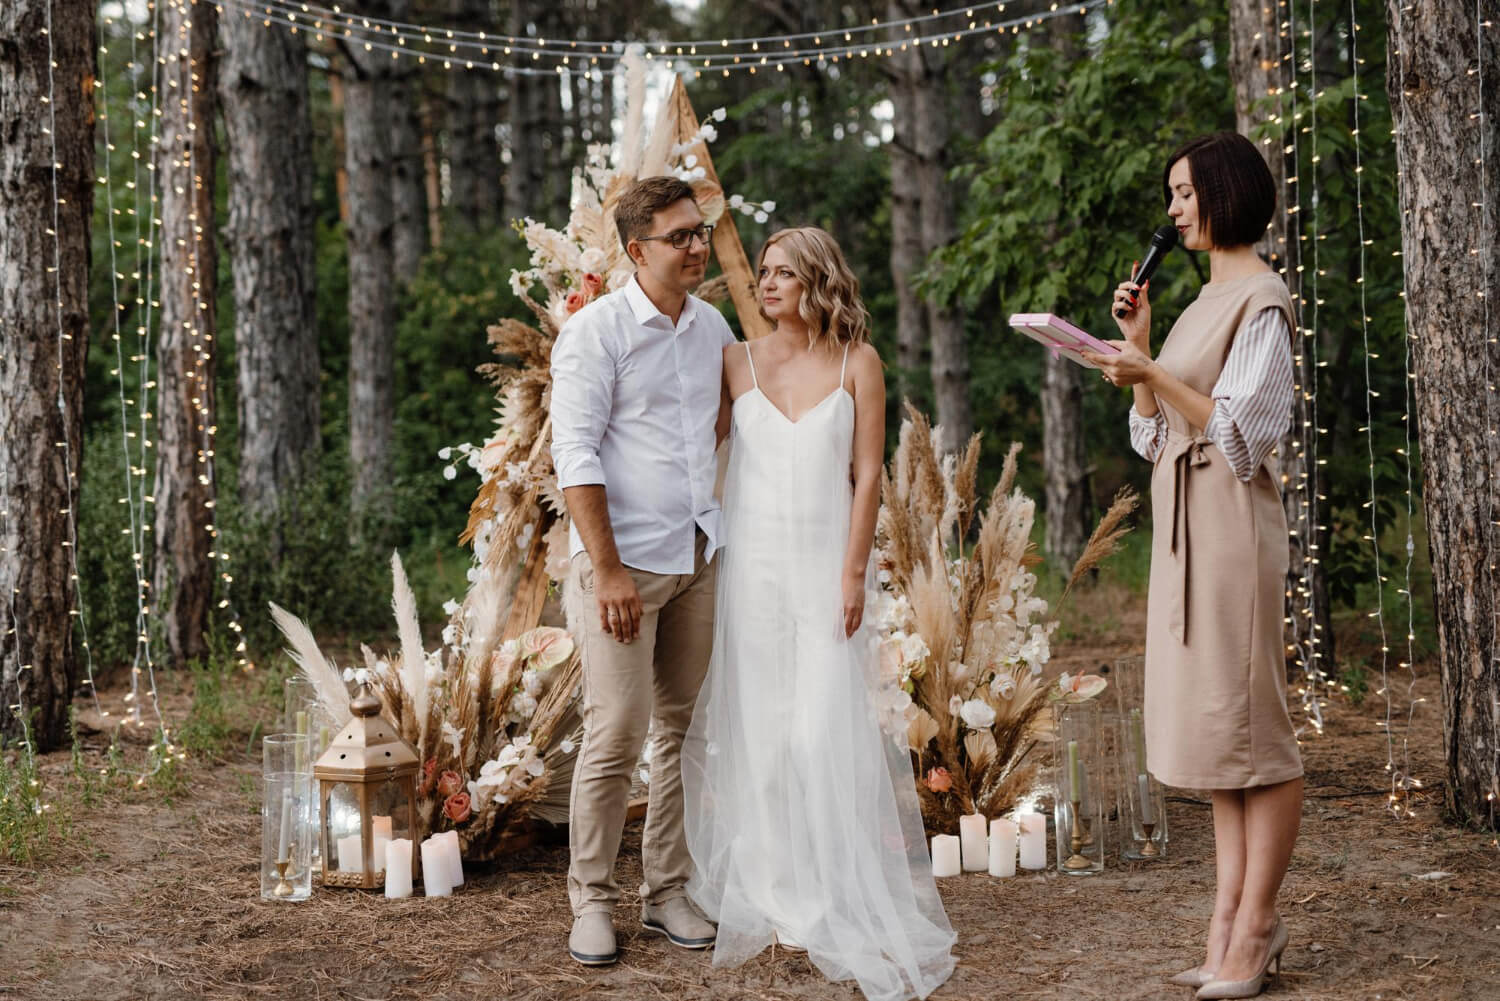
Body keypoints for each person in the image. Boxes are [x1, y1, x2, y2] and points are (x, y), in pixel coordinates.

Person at [681, 227, 956, 1001]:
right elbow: (696, 452)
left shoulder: (857, 363)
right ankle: (772, 893)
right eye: (763, 272)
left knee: (816, 732)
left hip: (826, 570)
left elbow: (868, 477)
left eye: (785, 274)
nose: (768, 285)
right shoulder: (735, 360)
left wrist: (854, 572)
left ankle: (829, 887)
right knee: (763, 737)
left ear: (819, 281)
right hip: (753, 571)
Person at [1083, 132, 1304, 1000]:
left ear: (1226, 191)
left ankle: (1256, 924)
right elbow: (1155, 435)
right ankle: (1224, 917)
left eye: (1185, 191)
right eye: (1170, 192)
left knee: (1257, 728)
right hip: (1182, 520)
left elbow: (1245, 430)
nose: (1173, 208)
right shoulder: (1192, 304)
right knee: (1219, 730)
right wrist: (1139, 355)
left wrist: (1152, 372)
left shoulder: (1262, 299)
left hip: (1231, 528)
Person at [550, 176, 733, 967]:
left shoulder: (713, 325)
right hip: (621, 567)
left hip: (698, 556)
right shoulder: (593, 334)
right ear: (636, 250)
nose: (699, 246)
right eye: (681, 236)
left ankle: (667, 890)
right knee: (617, 730)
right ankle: (591, 898)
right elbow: (576, 456)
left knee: (683, 730)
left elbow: (720, 427)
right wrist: (610, 569)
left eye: (700, 231)